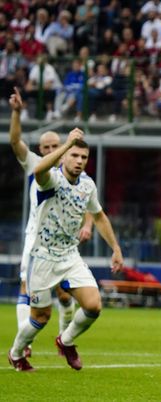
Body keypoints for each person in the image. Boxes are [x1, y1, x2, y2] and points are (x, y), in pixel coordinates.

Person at [8, 127, 123, 372]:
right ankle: (16, 353)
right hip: (42, 256)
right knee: (40, 317)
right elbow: (38, 170)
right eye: (75, 156)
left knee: (93, 305)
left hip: (70, 256)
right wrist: (66, 144)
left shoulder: (87, 185)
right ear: (64, 156)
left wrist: (115, 248)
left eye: (84, 157)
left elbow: (99, 216)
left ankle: (66, 340)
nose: (80, 161)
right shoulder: (51, 179)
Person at [8, 88, 93, 357]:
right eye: (45, 147)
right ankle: (25, 345)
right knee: (29, 290)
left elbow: (90, 202)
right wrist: (16, 113)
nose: (50, 150)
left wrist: (88, 224)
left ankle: (63, 339)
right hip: (37, 239)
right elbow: (15, 141)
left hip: (64, 245)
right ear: (41, 150)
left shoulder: (74, 168)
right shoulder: (38, 165)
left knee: (66, 297)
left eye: (54, 146)